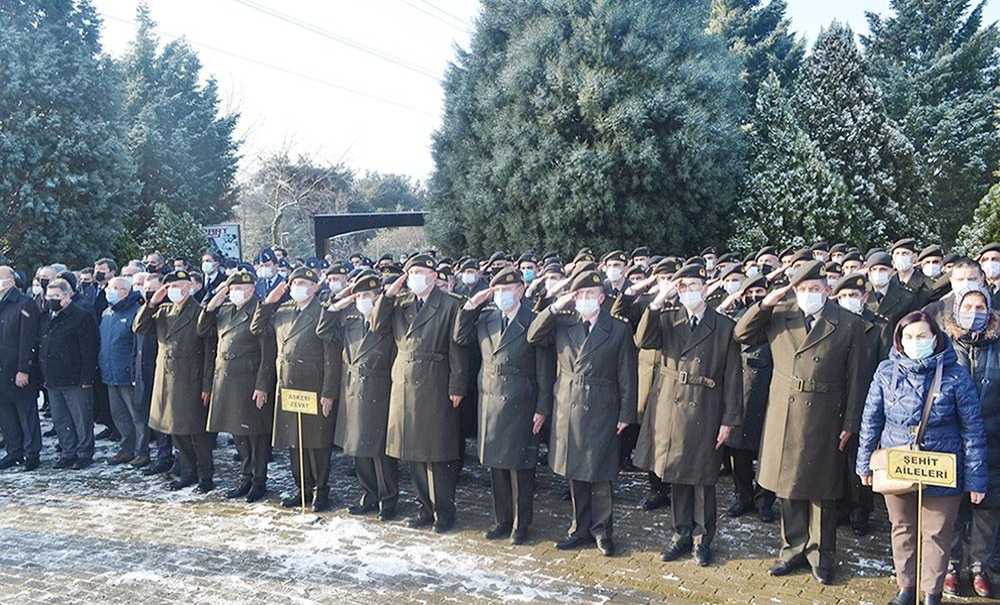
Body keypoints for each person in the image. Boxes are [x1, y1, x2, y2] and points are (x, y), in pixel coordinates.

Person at [734, 260, 867, 585]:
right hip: (785, 412)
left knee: (822, 489)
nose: (810, 294)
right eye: (803, 289)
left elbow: (857, 379)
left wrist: (851, 421)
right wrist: (765, 302)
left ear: (827, 290)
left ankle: (821, 556)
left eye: (816, 289)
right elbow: (741, 333)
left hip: (826, 413)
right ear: (794, 290)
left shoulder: (848, 323)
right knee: (788, 485)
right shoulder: (780, 315)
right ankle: (792, 549)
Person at [857, 311, 987, 605]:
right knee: (902, 528)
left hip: (943, 467)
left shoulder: (956, 375)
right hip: (897, 463)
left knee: (937, 534)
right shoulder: (885, 371)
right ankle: (906, 587)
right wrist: (864, 463)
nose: (915, 342)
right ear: (899, 340)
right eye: (909, 337)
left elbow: (973, 429)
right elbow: (871, 420)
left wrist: (976, 479)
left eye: (922, 336)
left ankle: (931, 593)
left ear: (935, 338)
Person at [635, 263, 742, 566]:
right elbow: (643, 339)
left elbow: (733, 376)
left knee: (703, 478)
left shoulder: (723, 326)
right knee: (676, 474)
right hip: (671, 407)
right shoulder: (668, 319)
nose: (688, 292)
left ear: (706, 289)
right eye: (683, 287)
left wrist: (729, 419)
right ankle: (680, 533)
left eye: (694, 286)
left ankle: (702, 539)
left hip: (706, 407)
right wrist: (658, 300)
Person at [526, 269, 637, 557]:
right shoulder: (564, 324)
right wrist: (554, 306)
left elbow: (628, 375)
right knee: (576, 472)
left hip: (603, 406)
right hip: (569, 405)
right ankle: (579, 529)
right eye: (580, 295)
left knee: (600, 473)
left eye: (590, 294)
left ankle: (602, 531)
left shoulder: (618, 329)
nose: (585, 299)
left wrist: (627, 413)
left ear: (602, 297)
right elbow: (533, 335)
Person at [454, 267, 554, 545]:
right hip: (490, 400)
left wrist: (543, 407)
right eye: (497, 291)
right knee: (496, 466)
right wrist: (472, 304)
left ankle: (521, 524)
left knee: (520, 468)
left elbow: (545, 368)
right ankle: (502, 520)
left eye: (507, 290)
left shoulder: (533, 320)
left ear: (521, 290)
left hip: (521, 400)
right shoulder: (487, 318)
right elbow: (460, 337)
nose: (502, 295)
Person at [370, 253, 469, 532]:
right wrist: (388, 295)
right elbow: (376, 326)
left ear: (434, 276)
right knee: (411, 451)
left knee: (435, 453)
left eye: (421, 272)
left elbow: (457, 348)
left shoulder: (450, 304)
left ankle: (444, 512)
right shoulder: (400, 304)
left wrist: (457, 386)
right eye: (411, 272)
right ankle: (424, 508)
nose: (415, 277)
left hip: (435, 382)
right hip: (403, 382)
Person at [251, 267, 339, 512]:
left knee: (317, 442)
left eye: (303, 283)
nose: (298, 287)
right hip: (288, 385)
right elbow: (257, 329)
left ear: (314, 287)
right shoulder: (284, 311)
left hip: (313, 385)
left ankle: (321, 490)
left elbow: (331, 356)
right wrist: (268, 303)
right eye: (294, 283)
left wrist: (329, 392)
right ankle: (303, 488)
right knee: (295, 441)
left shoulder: (322, 311)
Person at [317, 273, 400, 520]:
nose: (364, 300)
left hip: (378, 388)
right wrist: (335, 306)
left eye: (368, 296)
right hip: (353, 389)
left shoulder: (386, 320)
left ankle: (388, 499)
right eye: (360, 296)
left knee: (378, 451)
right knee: (358, 448)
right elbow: (323, 330)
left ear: (378, 298)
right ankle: (369, 494)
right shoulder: (350, 319)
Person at [939, 286, 1000, 597]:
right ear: (957, 309)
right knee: (949, 505)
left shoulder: (998, 344)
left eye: (981, 307)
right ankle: (949, 564)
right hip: (950, 438)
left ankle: (980, 567)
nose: (974, 312)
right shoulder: (943, 344)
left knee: (987, 508)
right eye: (968, 306)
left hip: (993, 437)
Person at [133, 270, 215, 492]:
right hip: (166, 380)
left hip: (191, 379)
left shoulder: (200, 312)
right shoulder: (164, 311)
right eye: (170, 287)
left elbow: (209, 352)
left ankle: (205, 476)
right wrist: (152, 304)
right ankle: (188, 472)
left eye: (180, 285)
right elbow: (139, 328)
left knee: (196, 433)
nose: (175, 290)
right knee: (175, 430)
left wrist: (207, 385)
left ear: (190, 287)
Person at [199, 272, 276, 503]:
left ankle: (259, 480)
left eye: (241, 288)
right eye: (232, 289)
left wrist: (262, 385)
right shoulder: (224, 311)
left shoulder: (259, 311)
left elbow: (267, 353)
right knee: (238, 433)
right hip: (226, 381)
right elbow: (202, 330)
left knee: (256, 435)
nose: (236, 293)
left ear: (252, 289)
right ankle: (245, 477)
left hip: (249, 380)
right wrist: (211, 304)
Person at [717, 273, 776, 523]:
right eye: (749, 293)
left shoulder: (778, 319)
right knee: (739, 450)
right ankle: (742, 496)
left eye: (760, 292)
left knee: (768, 452)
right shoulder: (734, 317)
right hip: (741, 390)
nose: (754, 296)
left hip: (770, 391)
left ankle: (765, 500)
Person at [39, 278, 98, 470]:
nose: (52, 300)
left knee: (81, 419)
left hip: (76, 378)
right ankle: (67, 452)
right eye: (49, 296)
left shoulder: (81, 316)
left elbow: (89, 349)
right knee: (61, 419)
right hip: (53, 378)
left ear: (67, 295)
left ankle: (84, 453)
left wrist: (86, 378)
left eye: (56, 296)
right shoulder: (48, 316)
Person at [97, 277, 144, 466]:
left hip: (128, 374)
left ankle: (142, 451)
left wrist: (134, 372)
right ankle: (127, 448)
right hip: (110, 373)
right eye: (110, 287)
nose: (111, 291)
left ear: (126, 291)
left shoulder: (135, 312)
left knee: (137, 416)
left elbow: (137, 346)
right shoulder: (107, 313)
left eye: (116, 288)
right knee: (119, 415)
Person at [0, 266, 41, 470]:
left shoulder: (24, 303)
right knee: (5, 414)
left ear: (10, 280)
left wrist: (23, 369)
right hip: (1, 370)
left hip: (17, 370)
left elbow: (28, 339)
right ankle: (13, 451)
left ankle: (32, 452)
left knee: (26, 413)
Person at [133, 273, 172, 472]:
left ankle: (170, 457)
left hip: (165, 372)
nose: (149, 292)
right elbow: (137, 332)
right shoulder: (146, 309)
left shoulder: (168, 310)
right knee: (152, 417)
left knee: (167, 418)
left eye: (153, 289)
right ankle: (161, 455)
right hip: (145, 371)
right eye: (146, 288)